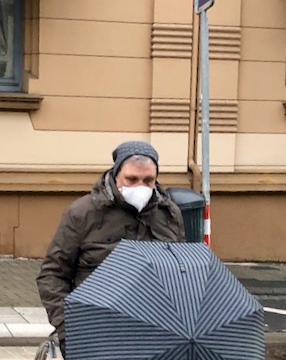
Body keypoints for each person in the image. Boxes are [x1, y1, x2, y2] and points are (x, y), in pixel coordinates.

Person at [37, 140, 185, 340]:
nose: (140, 186)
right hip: (93, 327)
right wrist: (67, 327)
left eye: (148, 180)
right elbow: (53, 273)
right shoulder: (84, 213)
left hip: (152, 328)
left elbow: (181, 273)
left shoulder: (169, 215)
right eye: (131, 179)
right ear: (116, 175)